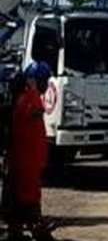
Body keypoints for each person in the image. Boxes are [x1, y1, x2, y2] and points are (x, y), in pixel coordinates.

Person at [5, 62, 53, 241]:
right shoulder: (29, 98)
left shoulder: (23, 99)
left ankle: (17, 229)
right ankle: (35, 227)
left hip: (26, 157)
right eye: (44, 80)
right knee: (28, 195)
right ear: (34, 80)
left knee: (19, 194)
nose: (46, 84)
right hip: (27, 158)